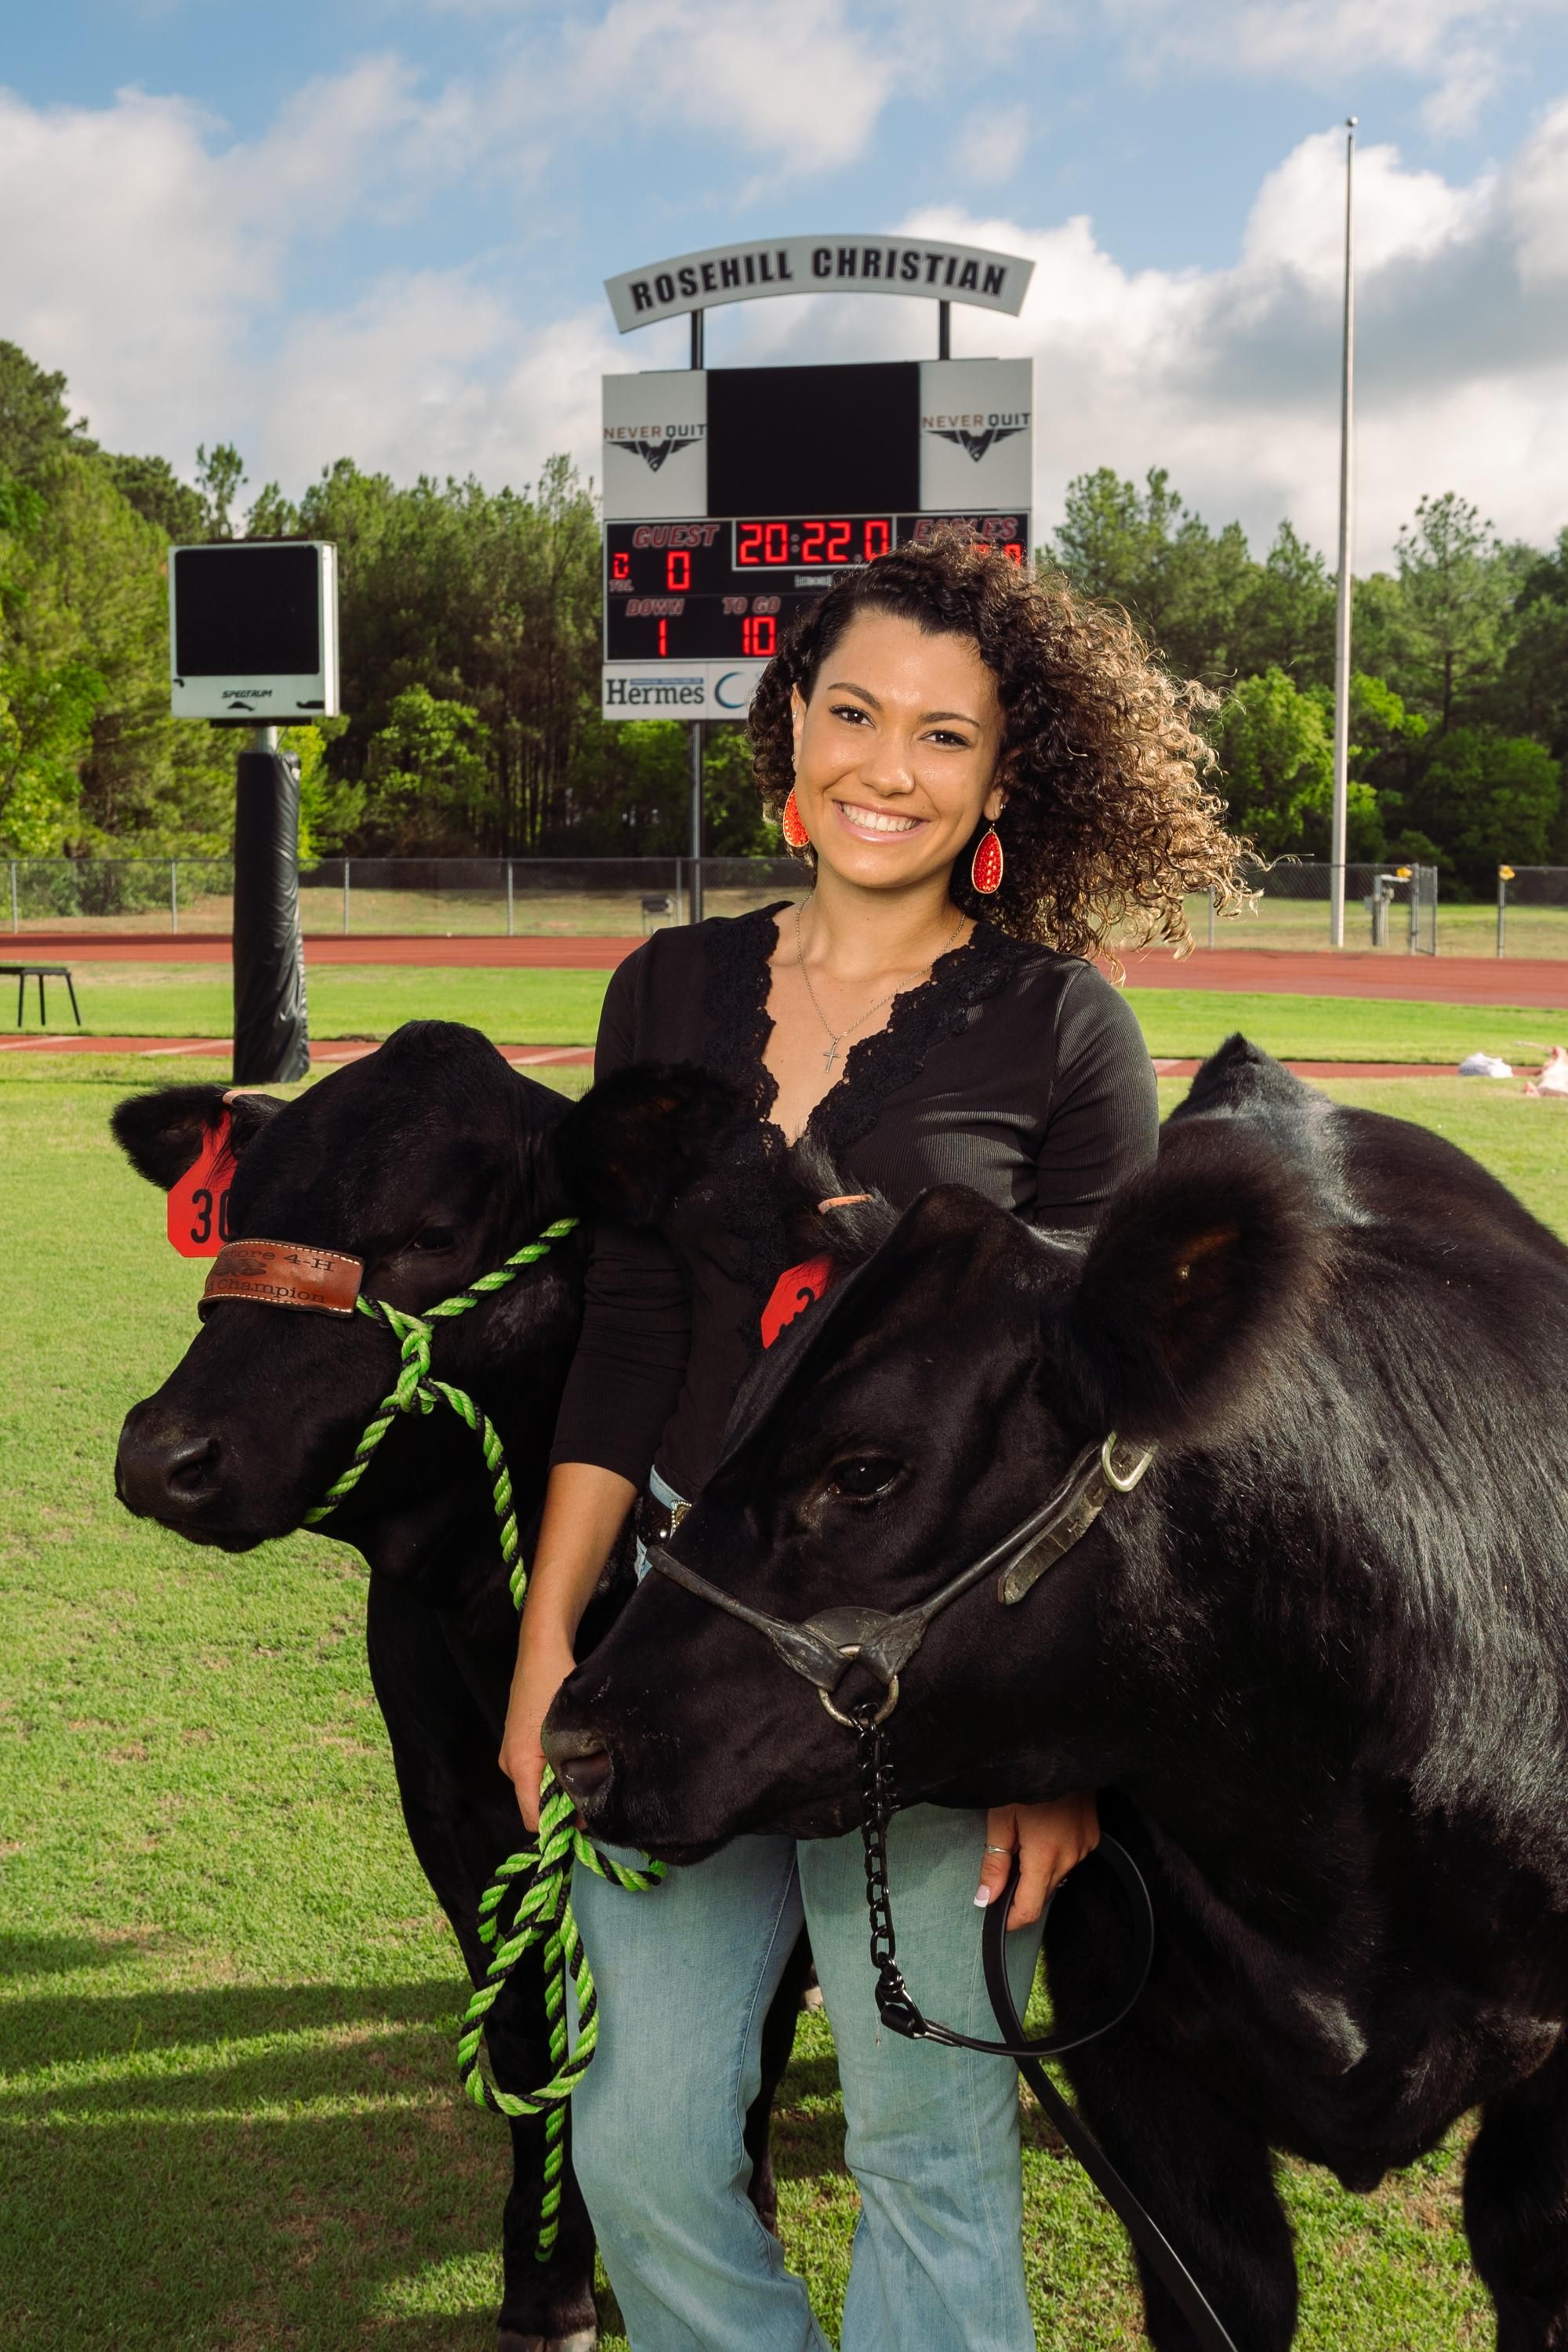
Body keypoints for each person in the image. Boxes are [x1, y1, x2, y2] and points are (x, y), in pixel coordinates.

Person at [500, 534, 1243, 2351]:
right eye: (851, 714)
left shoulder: (1065, 1027)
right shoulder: (663, 995)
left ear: (1003, 781)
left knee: (923, 2144)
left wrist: (1055, 1745)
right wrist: (546, 1649)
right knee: (648, 2143)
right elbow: (630, 1330)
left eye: (942, 737)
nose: (885, 770)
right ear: (790, 728)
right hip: (681, 1628)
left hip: (928, 1661)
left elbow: (1104, 1437)